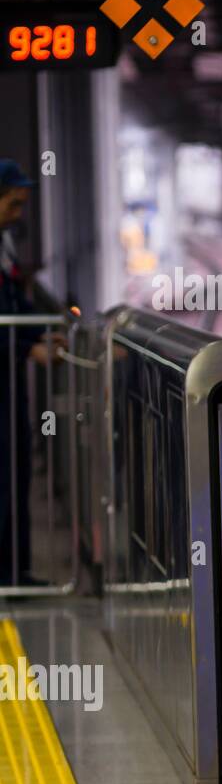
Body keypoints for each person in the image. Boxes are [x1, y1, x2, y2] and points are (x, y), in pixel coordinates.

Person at [0, 159, 59, 586]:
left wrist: (41, 334)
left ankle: (15, 570)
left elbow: (15, 307)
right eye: (13, 204)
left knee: (16, 467)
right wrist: (28, 346)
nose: (19, 214)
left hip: (9, 376)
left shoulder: (4, 244)